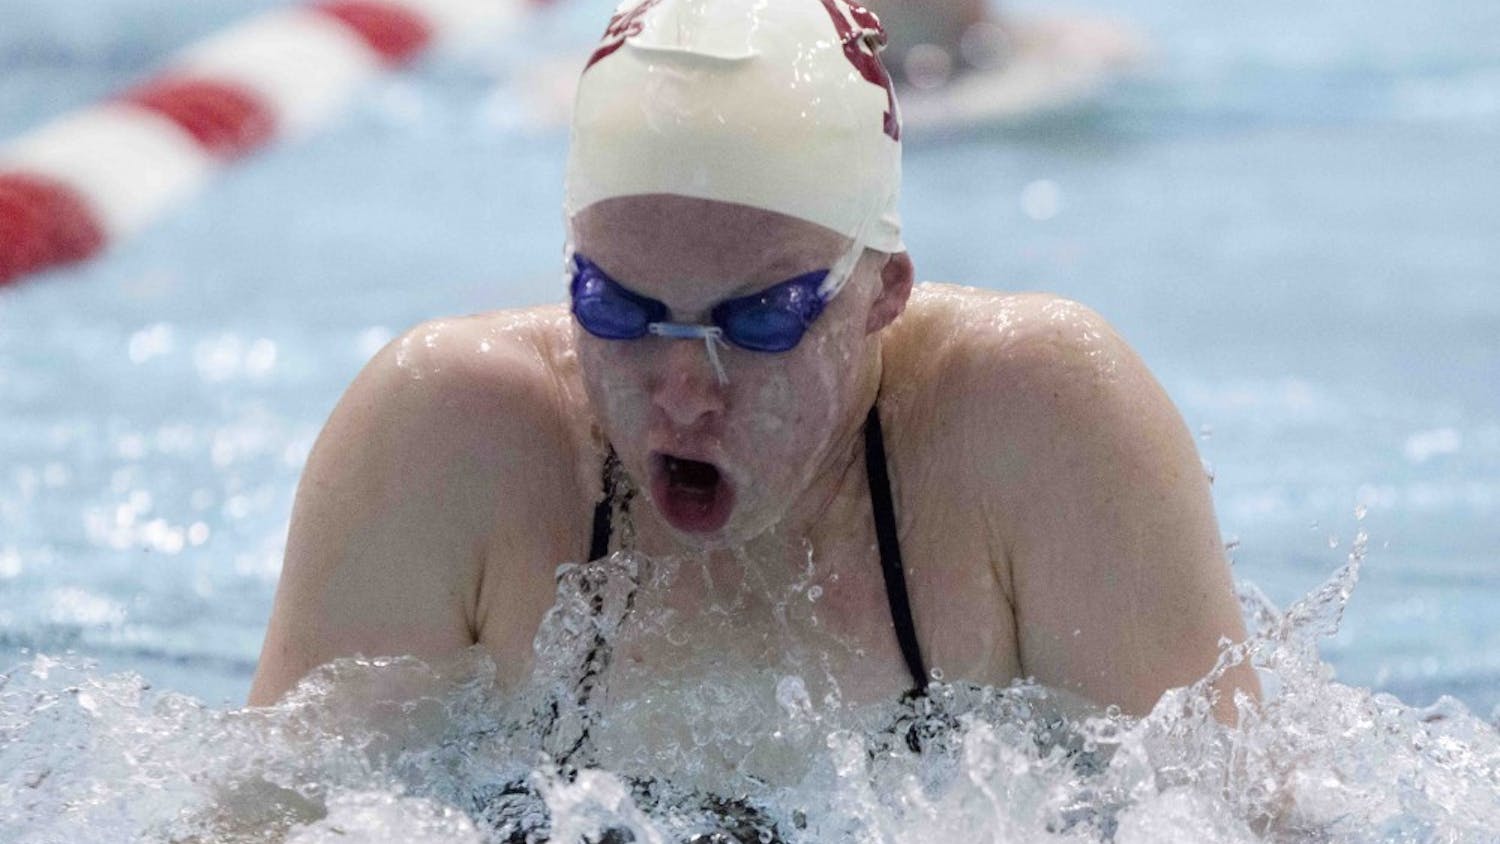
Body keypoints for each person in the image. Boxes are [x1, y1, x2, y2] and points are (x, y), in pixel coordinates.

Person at [248, 0, 1257, 734]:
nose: (684, 390)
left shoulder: (1038, 424)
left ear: (883, 293)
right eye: (618, 306)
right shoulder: (447, 436)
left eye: (761, 319)